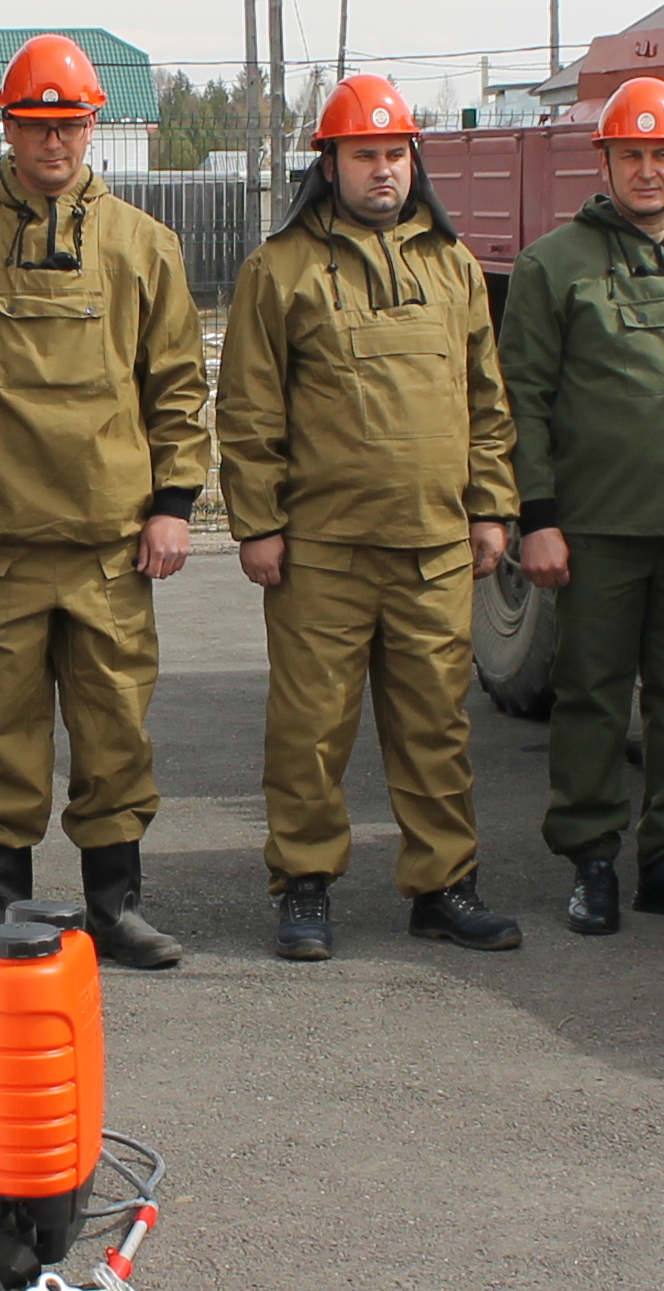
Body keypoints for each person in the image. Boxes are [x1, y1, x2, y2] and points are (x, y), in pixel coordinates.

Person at [0, 34, 208, 962]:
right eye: (37, 126)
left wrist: (174, 505)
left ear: (92, 126)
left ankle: (114, 908)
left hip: (114, 544)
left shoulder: (144, 245)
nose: (54, 144)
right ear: (9, 125)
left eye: (69, 125)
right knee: (2, 731)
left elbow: (179, 385)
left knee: (116, 728)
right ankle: (6, 913)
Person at [217, 72, 520, 959]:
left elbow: (486, 401)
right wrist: (258, 524)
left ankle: (444, 887)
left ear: (412, 160)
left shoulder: (453, 265)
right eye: (364, 156)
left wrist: (490, 509)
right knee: (310, 732)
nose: (381, 171)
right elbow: (248, 408)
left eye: (394, 154)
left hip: (435, 549)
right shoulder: (282, 270)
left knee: (436, 726)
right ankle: (305, 887)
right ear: (331, 163)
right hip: (322, 555)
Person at [502, 76, 664, 937]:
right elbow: (523, 401)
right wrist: (535, 518)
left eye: (663, 154)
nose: (648, 171)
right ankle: (591, 864)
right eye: (632, 155)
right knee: (590, 695)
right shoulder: (554, 266)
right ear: (606, 161)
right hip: (595, 531)